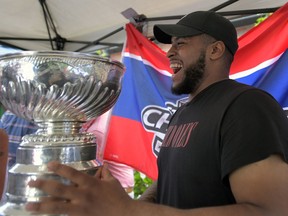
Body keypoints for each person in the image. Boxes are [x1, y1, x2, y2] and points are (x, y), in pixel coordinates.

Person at [25, 11, 288, 215]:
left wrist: (130, 212)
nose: (170, 52)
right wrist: (128, 205)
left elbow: (270, 210)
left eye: (181, 43)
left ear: (215, 50)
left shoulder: (247, 105)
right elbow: (169, 181)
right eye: (171, 45)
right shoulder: (181, 113)